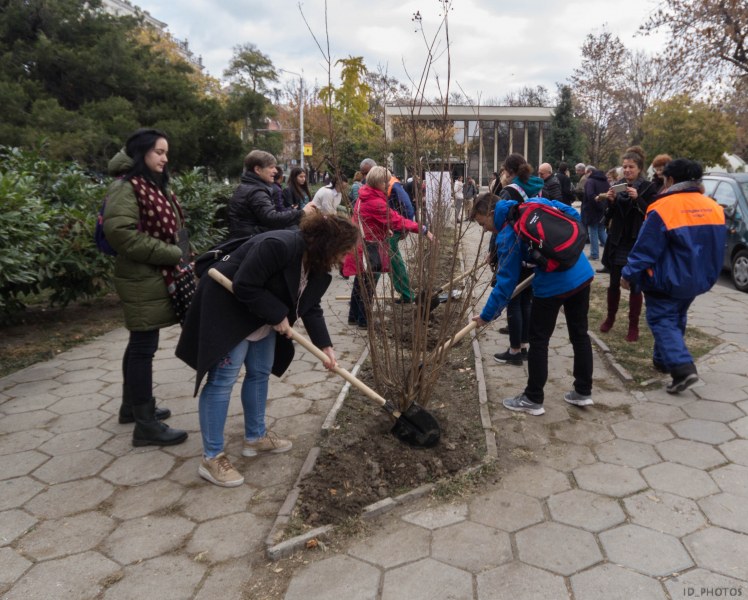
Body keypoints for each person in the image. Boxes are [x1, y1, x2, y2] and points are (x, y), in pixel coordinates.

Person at [176, 214, 359, 487]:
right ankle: (212, 457)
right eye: (344, 251)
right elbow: (244, 284)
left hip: (261, 317)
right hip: (229, 311)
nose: (345, 259)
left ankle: (255, 437)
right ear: (328, 244)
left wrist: (326, 346)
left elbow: (311, 306)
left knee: (260, 372)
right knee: (222, 381)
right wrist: (276, 314)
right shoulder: (278, 245)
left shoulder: (317, 265)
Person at [103, 128, 188, 446]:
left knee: (139, 343)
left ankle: (132, 408)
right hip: (141, 276)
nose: (165, 158)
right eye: (159, 152)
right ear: (141, 154)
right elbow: (120, 233)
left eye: (166, 152)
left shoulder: (148, 184)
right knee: (143, 347)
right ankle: (145, 425)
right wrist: (170, 253)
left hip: (150, 274)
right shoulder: (126, 186)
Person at [473, 194, 595, 416]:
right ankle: (583, 392)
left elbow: (506, 283)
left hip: (552, 286)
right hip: (581, 272)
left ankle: (533, 398)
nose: (484, 229)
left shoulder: (508, 235)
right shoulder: (533, 203)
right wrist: (557, 251)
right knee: (580, 334)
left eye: (483, 223)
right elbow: (573, 215)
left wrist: (486, 315)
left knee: (539, 341)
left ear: (491, 213)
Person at [621, 158, 725, 394]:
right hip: (698, 278)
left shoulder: (663, 207)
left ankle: (682, 368)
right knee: (676, 316)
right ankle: (662, 361)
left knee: (662, 319)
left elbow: (646, 247)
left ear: (670, 180)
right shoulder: (713, 207)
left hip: (667, 278)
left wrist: (628, 273)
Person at [342, 166, 434, 328]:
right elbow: (397, 219)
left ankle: (353, 316)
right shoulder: (375, 201)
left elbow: (365, 219)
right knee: (368, 285)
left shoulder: (364, 195)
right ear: (378, 182)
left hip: (360, 244)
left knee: (360, 282)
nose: (388, 184)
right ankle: (364, 321)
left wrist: (385, 229)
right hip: (369, 247)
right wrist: (423, 229)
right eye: (386, 181)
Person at [489, 154, 544, 364]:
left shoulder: (510, 191)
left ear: (508, 171)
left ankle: (514, 351)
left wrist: (493, 251)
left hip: (514, 249)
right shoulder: (537, 187)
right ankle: (523, 346)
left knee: (513, 300)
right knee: (526, 301)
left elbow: (498, 223)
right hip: (534, 250)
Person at [600, 146, 657, 342]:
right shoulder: (618, 185)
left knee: (635, 286)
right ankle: (610, 318)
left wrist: (638, 198)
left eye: (630, 167)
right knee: (613, 283)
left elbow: (652, 214)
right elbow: (609, 216)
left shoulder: (648, 188)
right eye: (624, 167)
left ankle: (633, 327)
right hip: (617, 240)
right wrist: (611, 202)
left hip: (637, 242)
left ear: (639, 168)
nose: (627, 171)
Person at [227, 151, 314, 241]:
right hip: (250, 241)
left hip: (246, 238)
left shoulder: (248, 186)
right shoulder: (256, 191)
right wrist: (302, 212)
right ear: (258, 170)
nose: (276, 171)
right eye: (271, 167)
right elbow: (271, 218)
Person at [582, 168, 610, 261]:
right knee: (601, 230)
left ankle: (594, 254)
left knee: (592, 231)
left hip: (591, 210)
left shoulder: (590, 181)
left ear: (590, 172)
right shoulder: (605, 181)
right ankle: (610, 249)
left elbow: (590, 195)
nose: (586, 175)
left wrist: (596, 202)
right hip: (602, 209)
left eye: (586, 173)